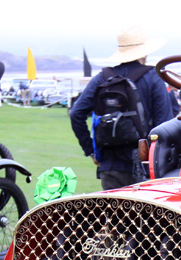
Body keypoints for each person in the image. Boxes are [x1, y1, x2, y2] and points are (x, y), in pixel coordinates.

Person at [69, 26, 174, 190]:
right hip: (146, 165)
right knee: (146, 215)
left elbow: (76, 113)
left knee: (113, 214)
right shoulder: (154, 78)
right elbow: (165, 124)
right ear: (144, 51)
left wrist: (91, 150)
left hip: (110, 165)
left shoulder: (102, 78)